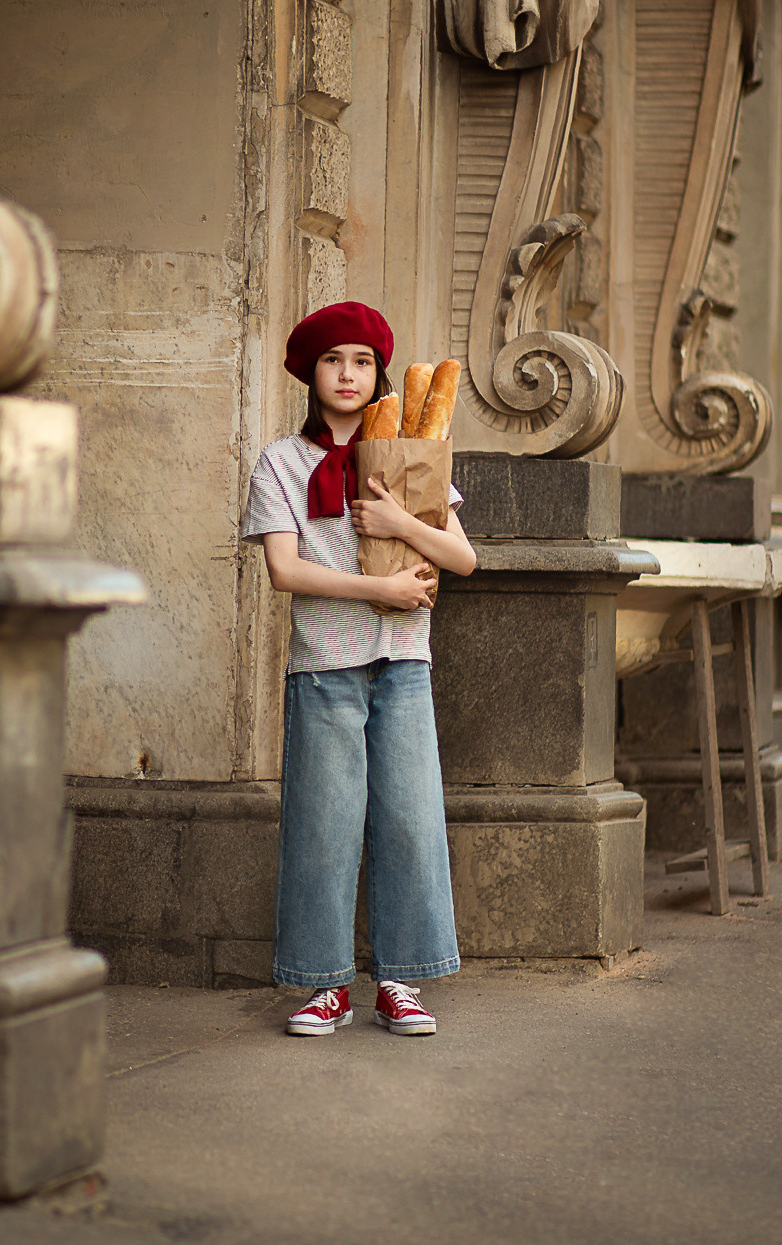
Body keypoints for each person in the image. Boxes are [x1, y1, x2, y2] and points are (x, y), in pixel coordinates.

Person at [240, 301, 478, 1038]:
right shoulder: (283, 461)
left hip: (403, 663)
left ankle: (400, 981)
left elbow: (463, 557)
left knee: (408, 821)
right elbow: (285, 570)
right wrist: (381, 588)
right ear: (310, 372)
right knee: (324, 825)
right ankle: (324, 985)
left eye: (363, 362)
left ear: (379, 374)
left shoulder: (412, 451)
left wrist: (402, 524)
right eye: (334, 360)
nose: (348, 374)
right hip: (324, 667)